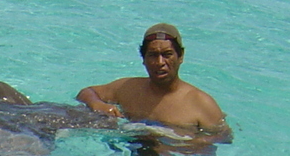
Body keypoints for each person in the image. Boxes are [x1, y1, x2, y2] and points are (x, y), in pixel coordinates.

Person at [74, 24, 228, 140]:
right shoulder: (128, 88)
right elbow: (87, 92)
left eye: (167, 54)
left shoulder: (201, 103)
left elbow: (222, 139)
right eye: (153, 55)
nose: (160, 62)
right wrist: (97, 104)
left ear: (180, 57)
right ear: (144, 59)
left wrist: (182, 143)